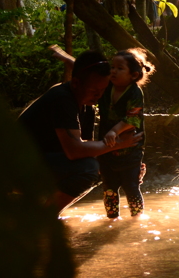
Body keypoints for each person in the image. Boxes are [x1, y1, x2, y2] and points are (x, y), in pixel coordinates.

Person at [17, 50, 139, 211]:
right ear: (75, 83)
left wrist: (128, 166)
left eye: (103, 90)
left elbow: (87, 149)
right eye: (94, 90)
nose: (99, 95)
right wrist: (118, 144)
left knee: (102, 167)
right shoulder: (62, 98)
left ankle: (41, 212)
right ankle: (44, 216)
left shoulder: (87, 107)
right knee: (89, 168)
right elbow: (75, 151)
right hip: (13, 167)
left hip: (40, 163)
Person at [97, 48, 155, 220]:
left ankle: (137, 219)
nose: (113, 71)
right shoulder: (107, 87)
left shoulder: (134, 92)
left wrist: (114, 131)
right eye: (112, 67)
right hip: (106, 148)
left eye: (120, 68)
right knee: (108, 187)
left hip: (130, 149)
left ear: (134, 75)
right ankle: (112, 218)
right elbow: (87, 74)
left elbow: (133, 119)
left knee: (131, 186)